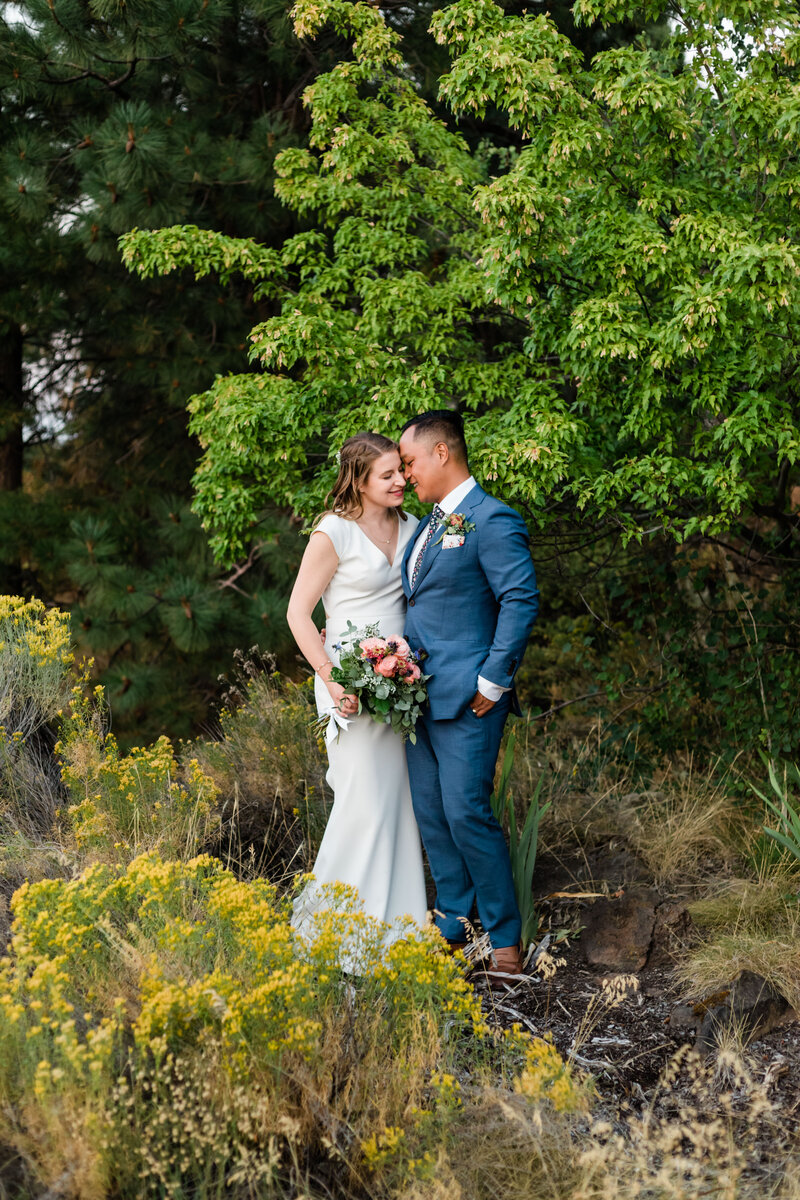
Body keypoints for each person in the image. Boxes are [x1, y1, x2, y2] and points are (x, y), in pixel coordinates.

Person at [398, 410, 540, 981]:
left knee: (467, 813)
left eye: (409, 462)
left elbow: (520, 600)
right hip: (416, 698)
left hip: (470, 699)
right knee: (433, 815)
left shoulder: (491, 518)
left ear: (440, 453)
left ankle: (505, 938)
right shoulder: (429, 524)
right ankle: (455, 921)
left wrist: (493, 679)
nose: (405, 474)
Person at [286, 432, 427, 945]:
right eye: (386, 474)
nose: (399, 481)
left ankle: (396, 933)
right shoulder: (334, 533)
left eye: (401, 471)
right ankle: (332, 934)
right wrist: (332, 677)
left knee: (395, 803)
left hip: (399, 680)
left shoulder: (414, 527)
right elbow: (297, 614)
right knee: (362, 800)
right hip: (346, 679)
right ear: (359, 479)